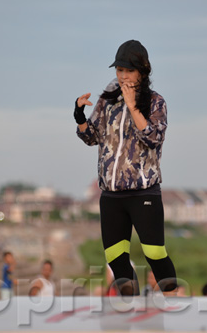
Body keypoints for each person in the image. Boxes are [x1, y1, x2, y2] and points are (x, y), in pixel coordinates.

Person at [74, 39, 177, 296]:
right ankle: (130, 311)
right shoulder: (107, 101)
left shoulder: (155, 102)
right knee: (116, 259)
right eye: (119, 70)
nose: (122, 76)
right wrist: (79, 117)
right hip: (111, 195)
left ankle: (175, 305)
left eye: (128, 70)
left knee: (154, 254)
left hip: (143, 193)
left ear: (142, 71)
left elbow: (153, 138)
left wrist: (132, 106)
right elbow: (92, 138)